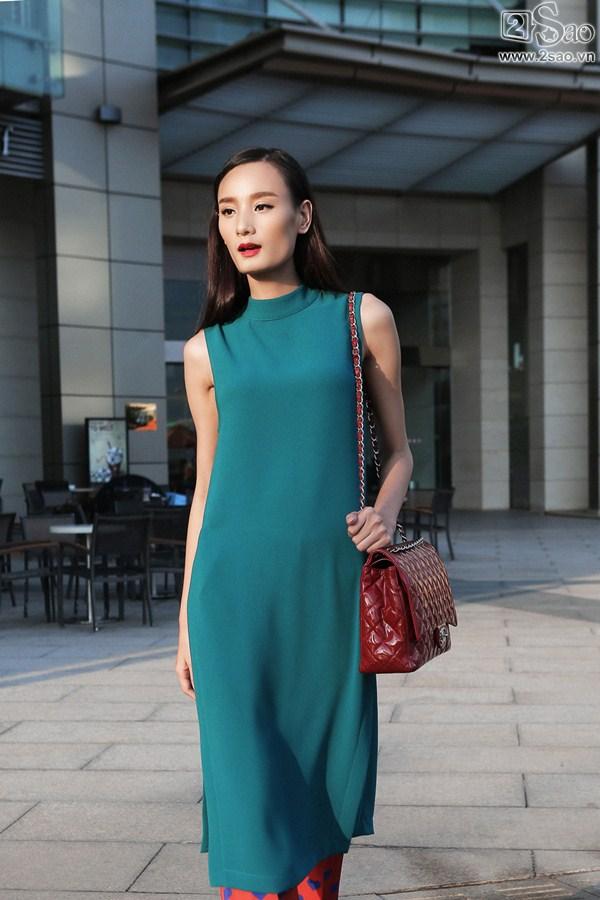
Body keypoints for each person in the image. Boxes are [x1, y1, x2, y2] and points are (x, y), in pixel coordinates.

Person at [175, 146, 413, 898]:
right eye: (227, 210)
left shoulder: (362, 318)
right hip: (231, 600)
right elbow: (206, 489)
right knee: (247, 794)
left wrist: (383, 513)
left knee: (316, 787)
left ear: (303, 216)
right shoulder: (205, 351)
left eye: (262, 205)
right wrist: (184, 623)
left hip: (327, 593)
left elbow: (401, 452)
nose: (242, 224)